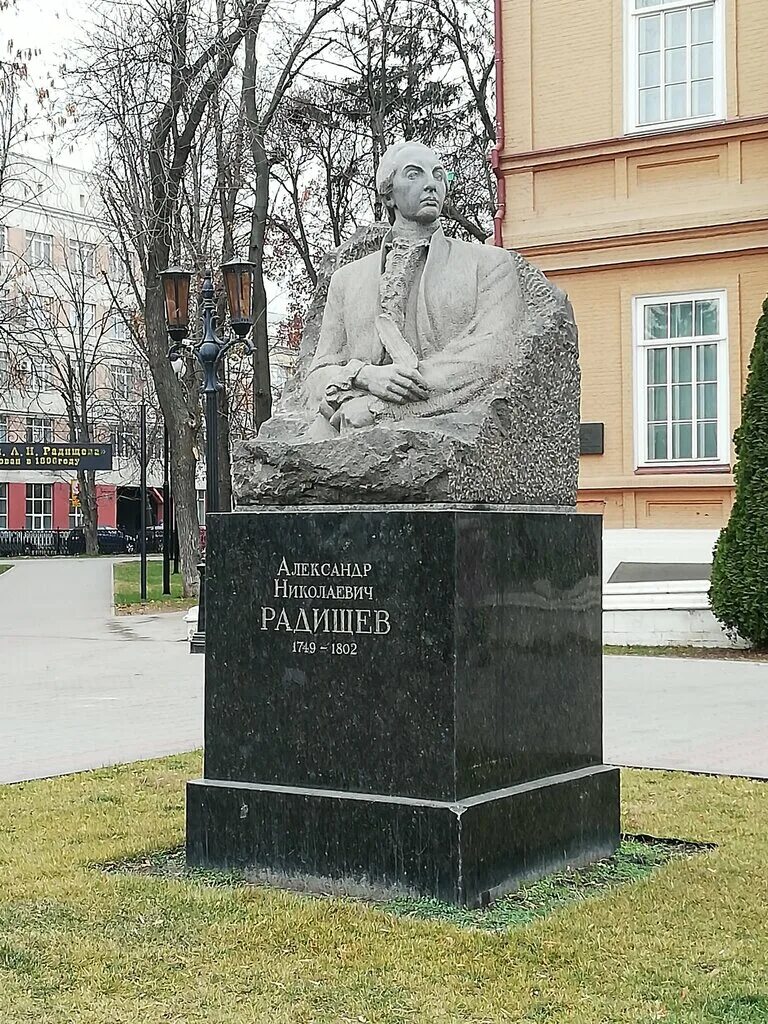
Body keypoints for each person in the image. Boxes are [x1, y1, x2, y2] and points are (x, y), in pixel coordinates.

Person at [302, 140, 526, 437]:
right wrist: (365, 376)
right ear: (388, 194)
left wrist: (379, 408)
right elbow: (316, 378)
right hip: (339, 434)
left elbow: (490, 358)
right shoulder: (347, 280)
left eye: (438, 175)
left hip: (428, 432)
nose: (431, 184)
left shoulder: (489, 264)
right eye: (414, 174)